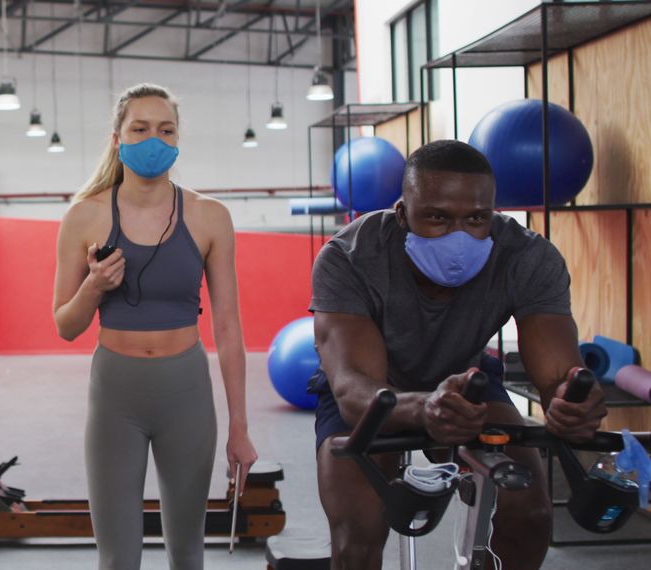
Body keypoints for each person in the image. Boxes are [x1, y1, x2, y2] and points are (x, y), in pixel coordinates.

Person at [310, 140, 607, 569]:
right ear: (402, 213)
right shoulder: (350, 257)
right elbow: (353, 388)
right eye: (437, 217)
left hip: (468, 385)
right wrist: (423, 407)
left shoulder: (526, 256)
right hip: (370, 397)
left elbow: (560, 372)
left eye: (476, 218)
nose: (459, 234)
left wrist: (571, 402)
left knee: (532, 513)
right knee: (358, 532)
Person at [53, 83, 258, 570]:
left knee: (188, 553)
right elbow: (66, 325)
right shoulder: (85, 216)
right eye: (140, 128)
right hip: (115, 394)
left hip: (185, 390)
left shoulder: (210, 217)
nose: (154, 140)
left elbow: (228, 330)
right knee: (118, 558)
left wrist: (240, 428)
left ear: (177, 138)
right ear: (117, 138)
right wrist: (95, 286)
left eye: (166, 130)